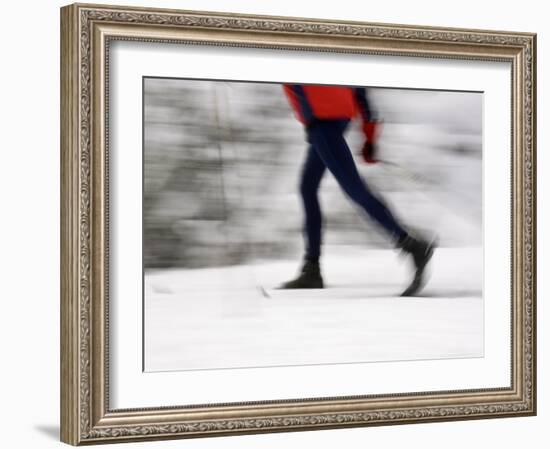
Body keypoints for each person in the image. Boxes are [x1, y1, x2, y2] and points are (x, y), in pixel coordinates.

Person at [280, 84, 436, 296]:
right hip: (335, 119)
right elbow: (359, 88)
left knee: (353, 187)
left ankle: (412, 245)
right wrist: (369, 138)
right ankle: (312, 269)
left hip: (322, 121)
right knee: (309, 187)